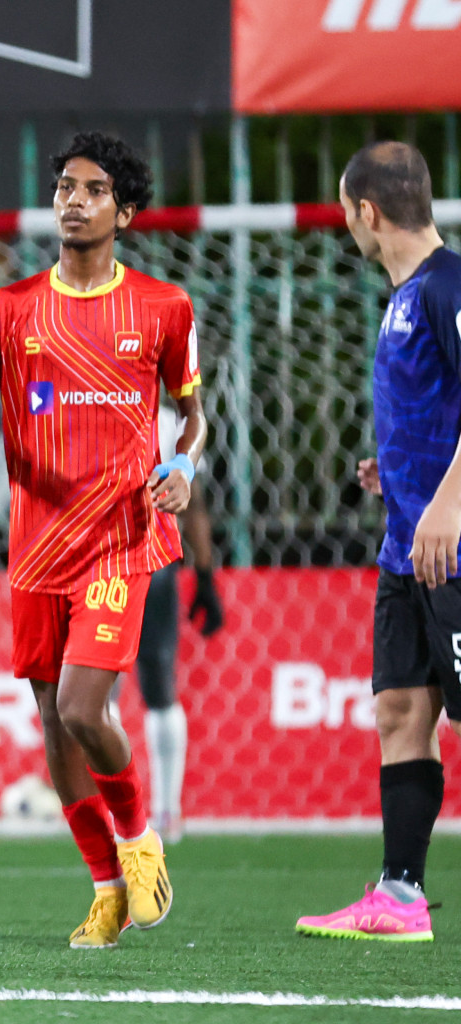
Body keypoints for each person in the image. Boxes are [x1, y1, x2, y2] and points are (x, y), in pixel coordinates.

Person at [0, 131, 206, 951]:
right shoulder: (6, 311)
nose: (73, 201)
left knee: (86, 707)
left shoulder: (163, 308)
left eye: (92, 190)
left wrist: (182, 464)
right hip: (35, 545)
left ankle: (140, 835)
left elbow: (193, 413)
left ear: (124, 209)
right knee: (52, 721)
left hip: (120, 536)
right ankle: (107, 891)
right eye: (64, 189)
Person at [296, 141, 461, 943]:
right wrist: (394, 476)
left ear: (368, 212)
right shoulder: (404, 296)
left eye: (345, 210)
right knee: (400, 707)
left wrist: (447, 504)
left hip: (450, 547)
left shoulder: (447, 285)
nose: (346, 226)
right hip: (409, 547)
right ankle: (400, 896)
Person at [129, 404, 224, 844]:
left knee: (153, 685)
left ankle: (163, 812)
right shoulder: (167, 419)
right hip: (113, 563)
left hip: (146, 563)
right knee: (94, 693)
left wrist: (205, 578)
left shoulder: (167, 422)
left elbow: (193, 501)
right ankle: (142, 814)